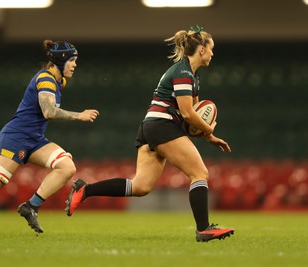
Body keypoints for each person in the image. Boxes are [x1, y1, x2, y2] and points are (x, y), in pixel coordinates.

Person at [65, 26, 234, 242]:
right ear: (201, 49)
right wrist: (209, 128)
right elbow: (188, 113)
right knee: (199, 174)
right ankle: (203, 229)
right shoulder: (183, 73)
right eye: (211, 49)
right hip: (163, 126)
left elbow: (193, 111)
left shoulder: (192, 75)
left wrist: (209, 136)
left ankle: (85, 190)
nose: (212, 54)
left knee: (141, 186)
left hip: (151, 126)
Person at [0, 40, 99, 238]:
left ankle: (30, 206)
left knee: (67, 167)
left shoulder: (60, 81)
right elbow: (48, 111)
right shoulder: (46, 79)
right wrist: (80, 115)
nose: (75, 64)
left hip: (34, 139)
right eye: (72, 60)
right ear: (60, 60)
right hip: (16, 137)